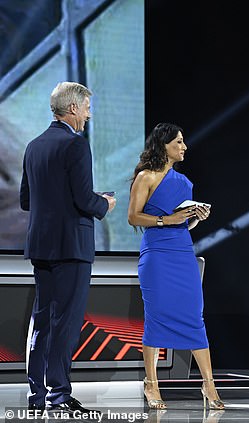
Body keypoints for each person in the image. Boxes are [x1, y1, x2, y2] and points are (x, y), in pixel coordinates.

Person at [19, 81, 117, 412]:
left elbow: (25, 201)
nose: (89, 115)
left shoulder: (33, 146)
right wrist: (105, 204)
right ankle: (58, 394)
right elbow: (84, 199)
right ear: (73, 108)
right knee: (66, 323)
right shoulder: (76, 146)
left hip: (41, 246)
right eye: (87, 108)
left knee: (43, 320)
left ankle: (37, 395)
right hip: (71, 247)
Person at [127, 123, 224, 410]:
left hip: (183, 253)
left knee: (195, 315)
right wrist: (164, 220)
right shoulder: (145, 177)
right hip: (157, 255)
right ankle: (151, 384)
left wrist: (196, 217)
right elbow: (133, 217)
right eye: (179, 142)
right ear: (164, 145)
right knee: (156, 316)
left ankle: (208, 384)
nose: (184, 147)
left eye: (183, 142)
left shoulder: (184, 183)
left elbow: (183, 222)